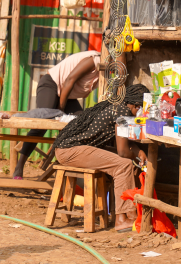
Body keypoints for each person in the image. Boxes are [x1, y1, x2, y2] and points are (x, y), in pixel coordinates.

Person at [52, 84, 149, 232]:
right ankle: (122, 219)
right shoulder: (123, 112)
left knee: (125, 163)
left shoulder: (117, 106)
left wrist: (138, 151)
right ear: (136, 106)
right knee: (124, 165)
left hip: (68, 148)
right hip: (69, 151)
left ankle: (130, 214)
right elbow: (122, 151)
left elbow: (122, 142)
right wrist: (136, 156)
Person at [13, 50, 101, 179]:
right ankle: (19, 166)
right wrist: (60, 110)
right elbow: (70, 79)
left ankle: (71, 171)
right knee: (42, 125)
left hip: (67, 94)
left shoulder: (110, 69)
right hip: (51, 85)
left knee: (80, 125)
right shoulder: (95, 60)